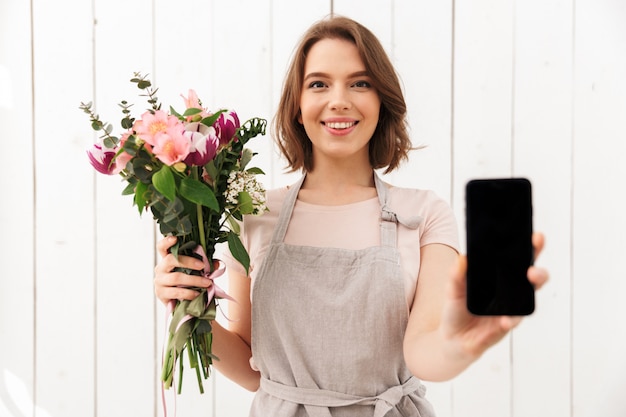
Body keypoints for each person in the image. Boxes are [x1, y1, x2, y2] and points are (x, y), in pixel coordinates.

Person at [154, 15, 549, 417]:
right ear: (298, 105)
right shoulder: (253, 215)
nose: (339, 99)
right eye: (319, 84)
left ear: (381, 100)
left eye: (360, 83)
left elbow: (424, 353)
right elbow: (252, 367)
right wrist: (187, 308)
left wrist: (460, 342)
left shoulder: (424, 214)